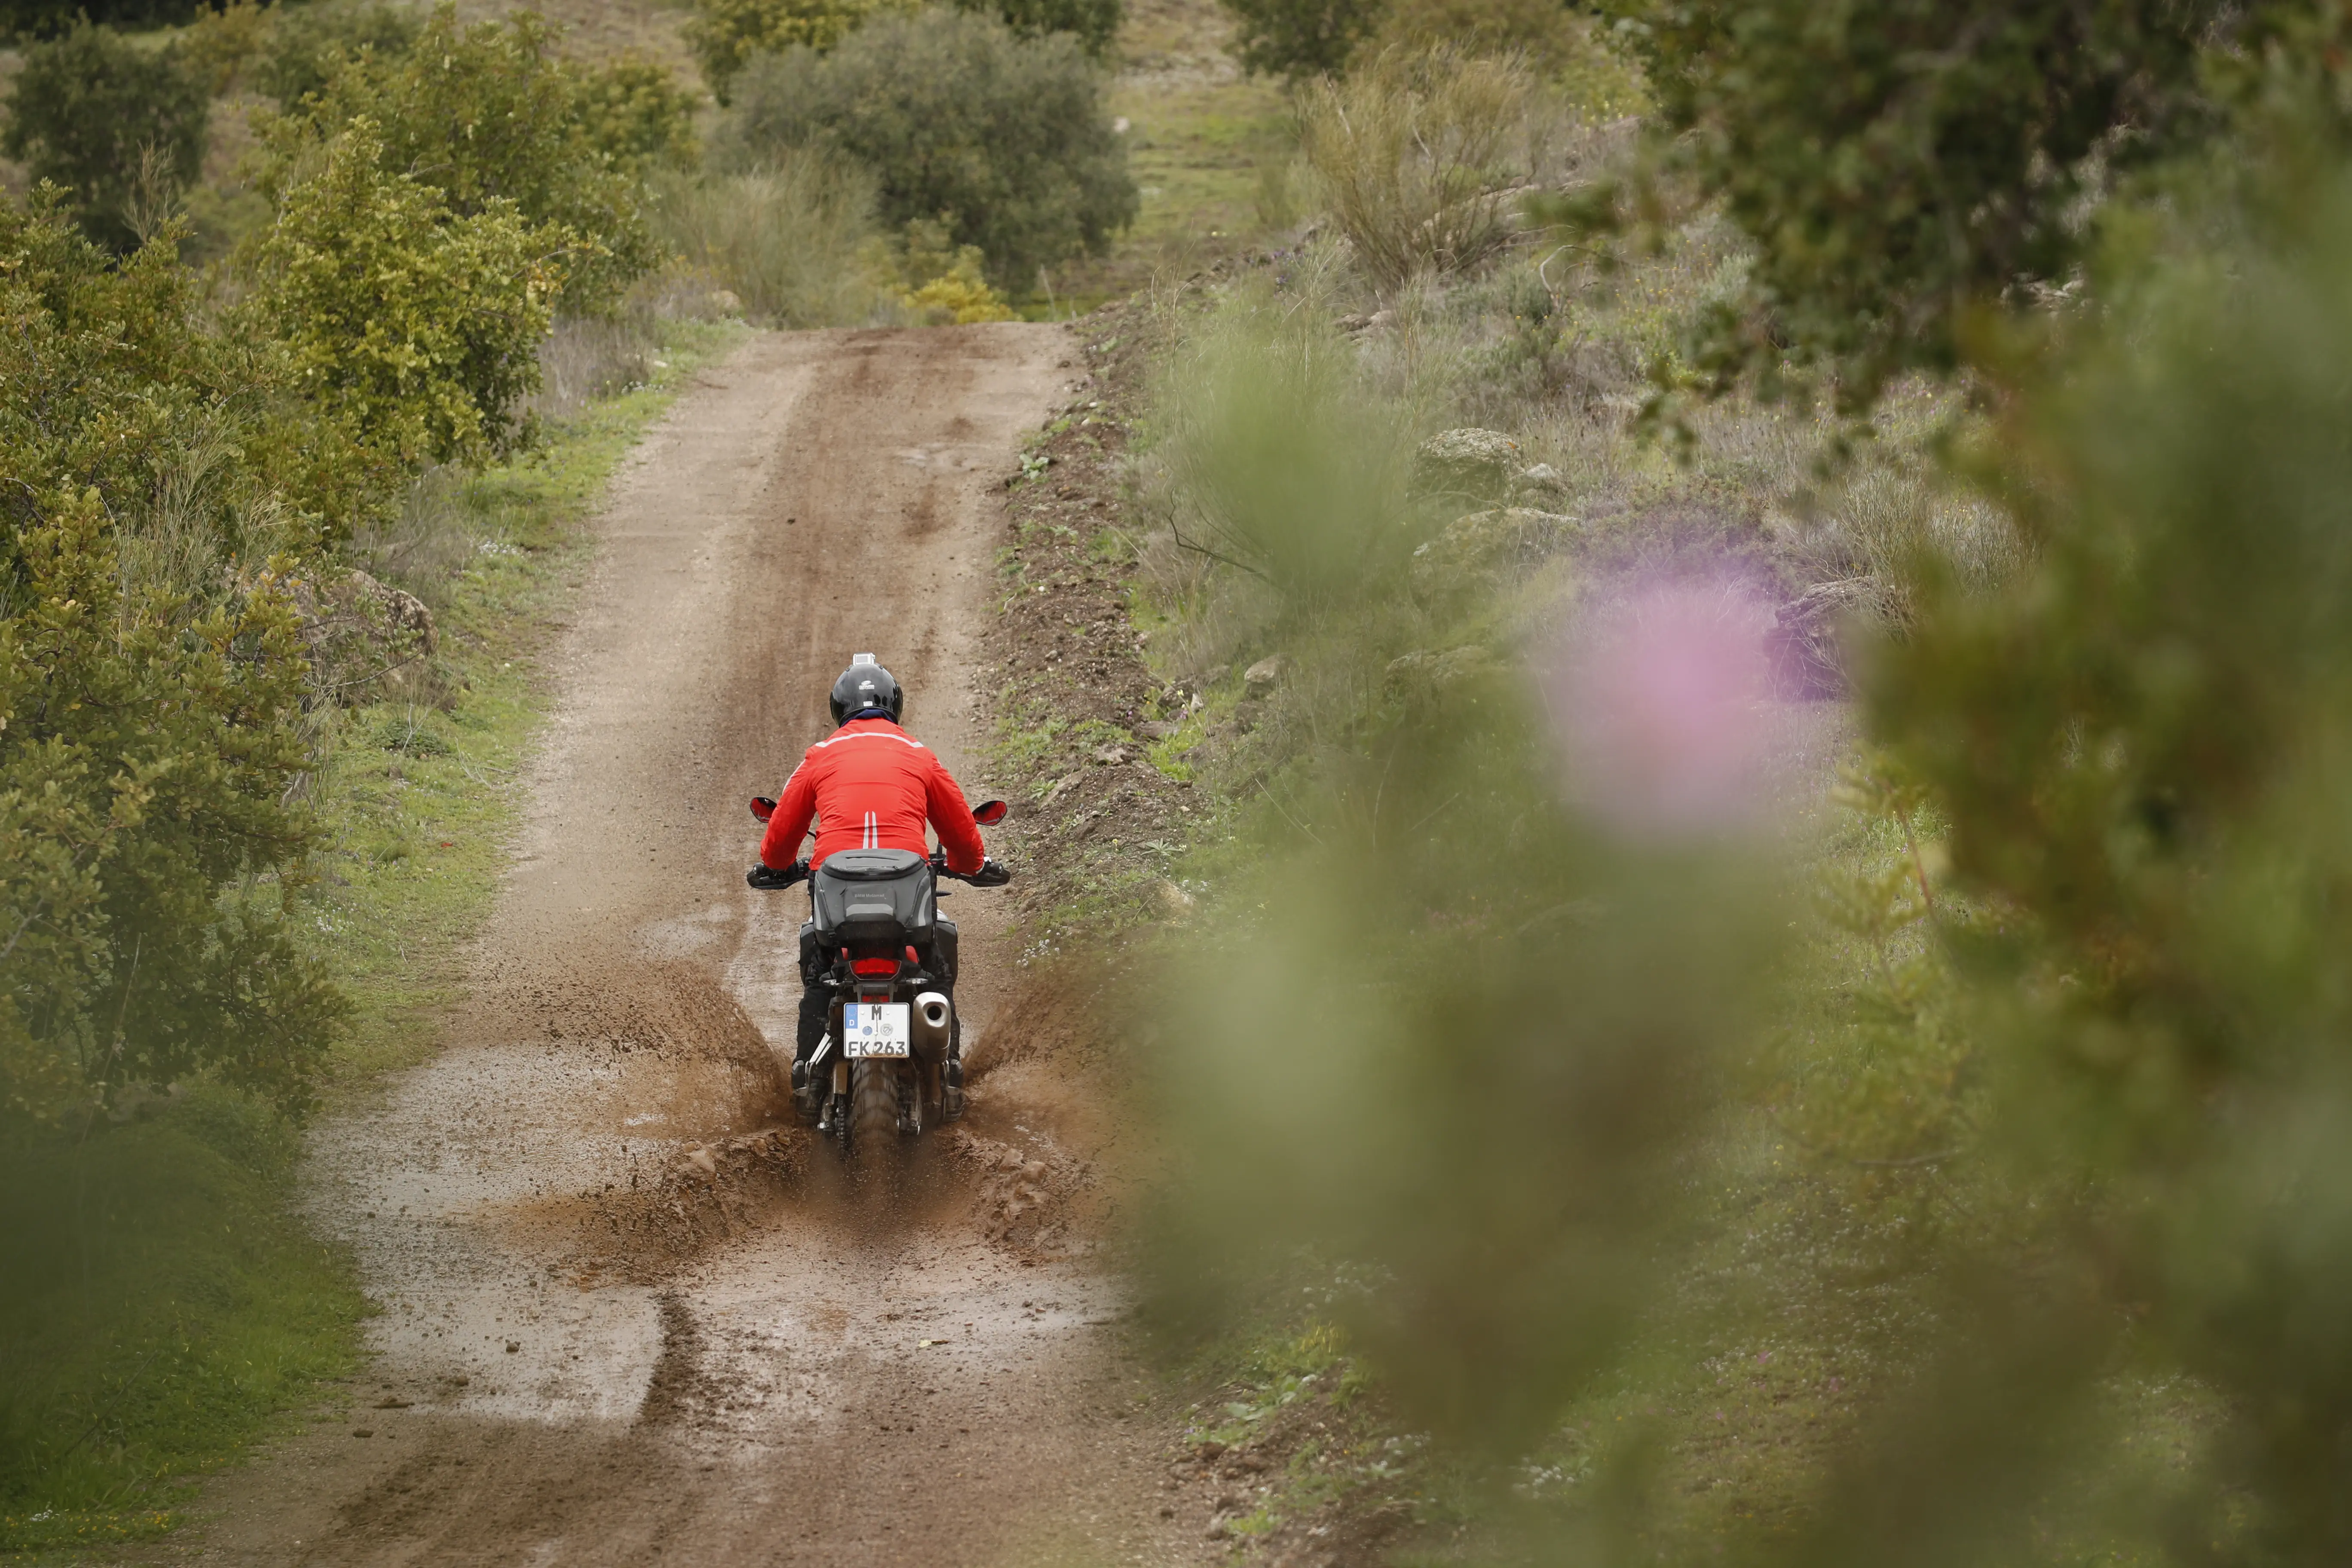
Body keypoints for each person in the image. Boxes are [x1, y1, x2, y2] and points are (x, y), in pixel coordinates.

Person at [753, 655, 1005, 1102]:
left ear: (839, 709)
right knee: (937, 956)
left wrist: (776, 869)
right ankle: (948, 1068)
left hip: (836, 890)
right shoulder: (919, 755)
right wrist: (973, 866)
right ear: (896, 706)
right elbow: (963, 834)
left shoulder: (820, 756)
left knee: (819, 966)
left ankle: (807, 1075)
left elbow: (777, 845)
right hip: (908, 888)